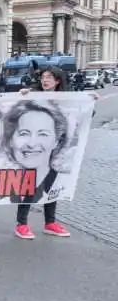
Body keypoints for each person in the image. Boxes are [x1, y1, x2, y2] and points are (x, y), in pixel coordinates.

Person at [14, 66, 98, 239]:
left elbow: (87, 114)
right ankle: (21, 224)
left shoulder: (69, 98)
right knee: (31, 187)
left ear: (57, 81)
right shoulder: (34, 95)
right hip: (35, 151)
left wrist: (90, 101)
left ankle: (50, 223)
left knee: (51, 187)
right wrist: (21, 96)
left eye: (49, 77)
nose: (45, 80)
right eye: (43, 77)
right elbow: (15, 109)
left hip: (55, 152)